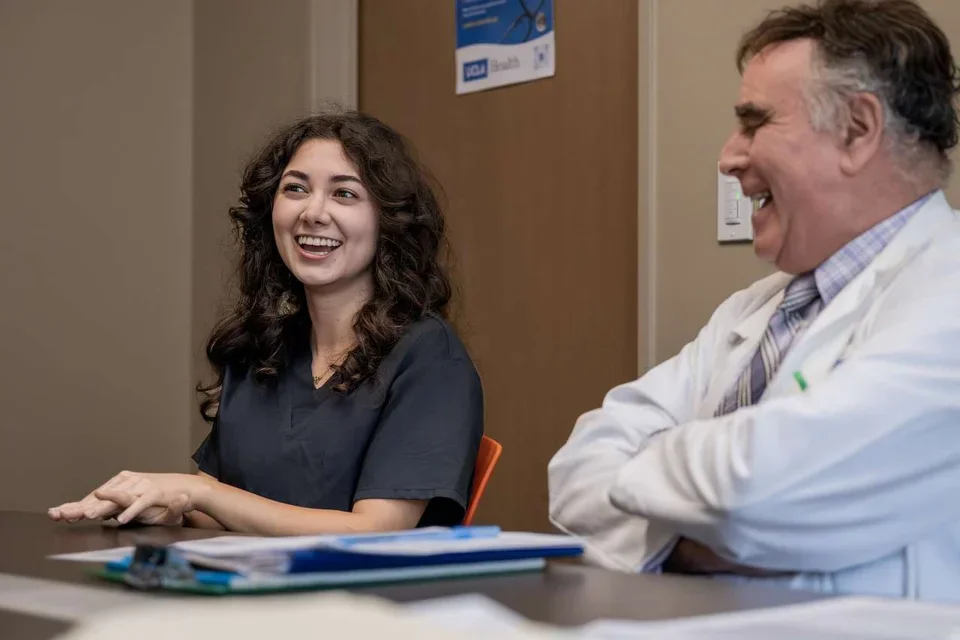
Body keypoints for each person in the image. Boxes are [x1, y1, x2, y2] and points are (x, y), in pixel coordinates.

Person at [549, 0, 960, 601]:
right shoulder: (754, 310)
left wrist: (655, 483)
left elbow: (752, 489)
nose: (728, 158)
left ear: (857, 129)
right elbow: (576, 471)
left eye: (755, 122)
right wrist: (688, 541)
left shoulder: (947, 290)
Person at [49, 111, 484, 535]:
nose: (313, 212)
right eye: (295, 188)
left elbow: (374, 531)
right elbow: (224, 513)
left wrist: (197, 492)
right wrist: (170, 509)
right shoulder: (262, 348)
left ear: (389, 221)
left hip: (360, 587)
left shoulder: (430, 356)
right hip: (246, 582)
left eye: (344, 194)